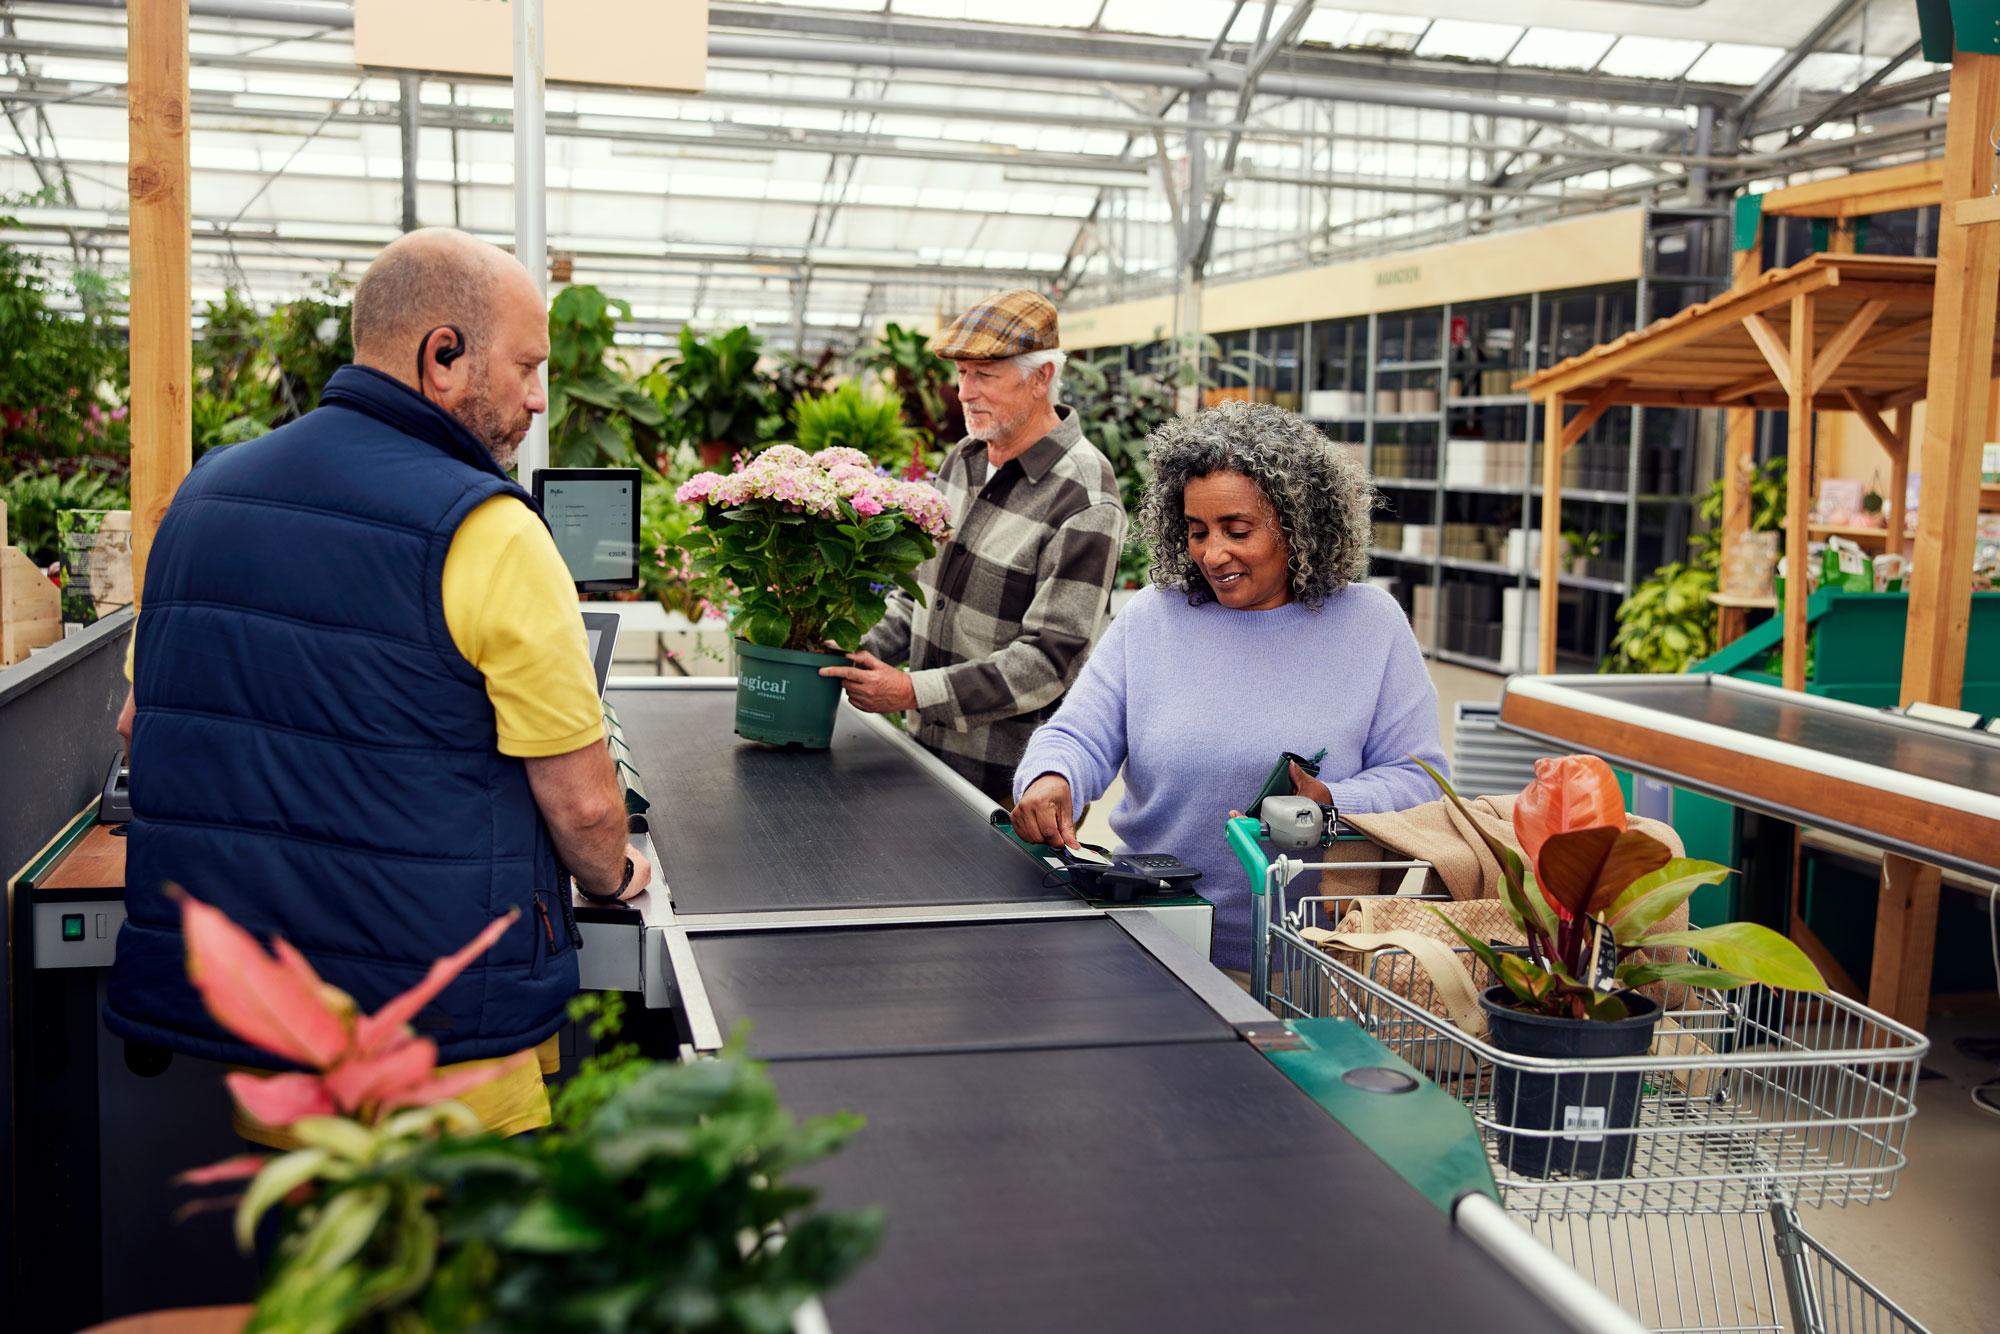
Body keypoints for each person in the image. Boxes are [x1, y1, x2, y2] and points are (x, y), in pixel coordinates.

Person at [106, 228, 650, 1141]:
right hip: (444, 1062)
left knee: (314, 1277)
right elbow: (587, 812)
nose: (538, 398)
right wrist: (616, 874)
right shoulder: (491, 531)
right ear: (444, 357)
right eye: (526, 366)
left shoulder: (203, 499)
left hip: (279, 1050)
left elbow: (139, 726)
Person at [1009, 401, 1448, 978]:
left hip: (1313, 960)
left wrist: (1333, 804)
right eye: (1196, 532)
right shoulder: (1153, 618)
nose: (1213, 554)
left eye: (1237, 530)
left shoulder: (1371, 625)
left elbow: (1421, 782)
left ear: (1299, 524)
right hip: (1152, 940)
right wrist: (1051, 778)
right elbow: (1078, 734)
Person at [821, 290, 1126, 805]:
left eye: (984, 376)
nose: (964, 392)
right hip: (921, 759)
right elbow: (917, 598)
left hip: (1006, 791)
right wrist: (847, 650)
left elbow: (1048, 661)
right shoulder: (964, 459)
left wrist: (913, 691)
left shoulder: (1085, 497)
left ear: (1041, 378)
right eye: (962, 374)